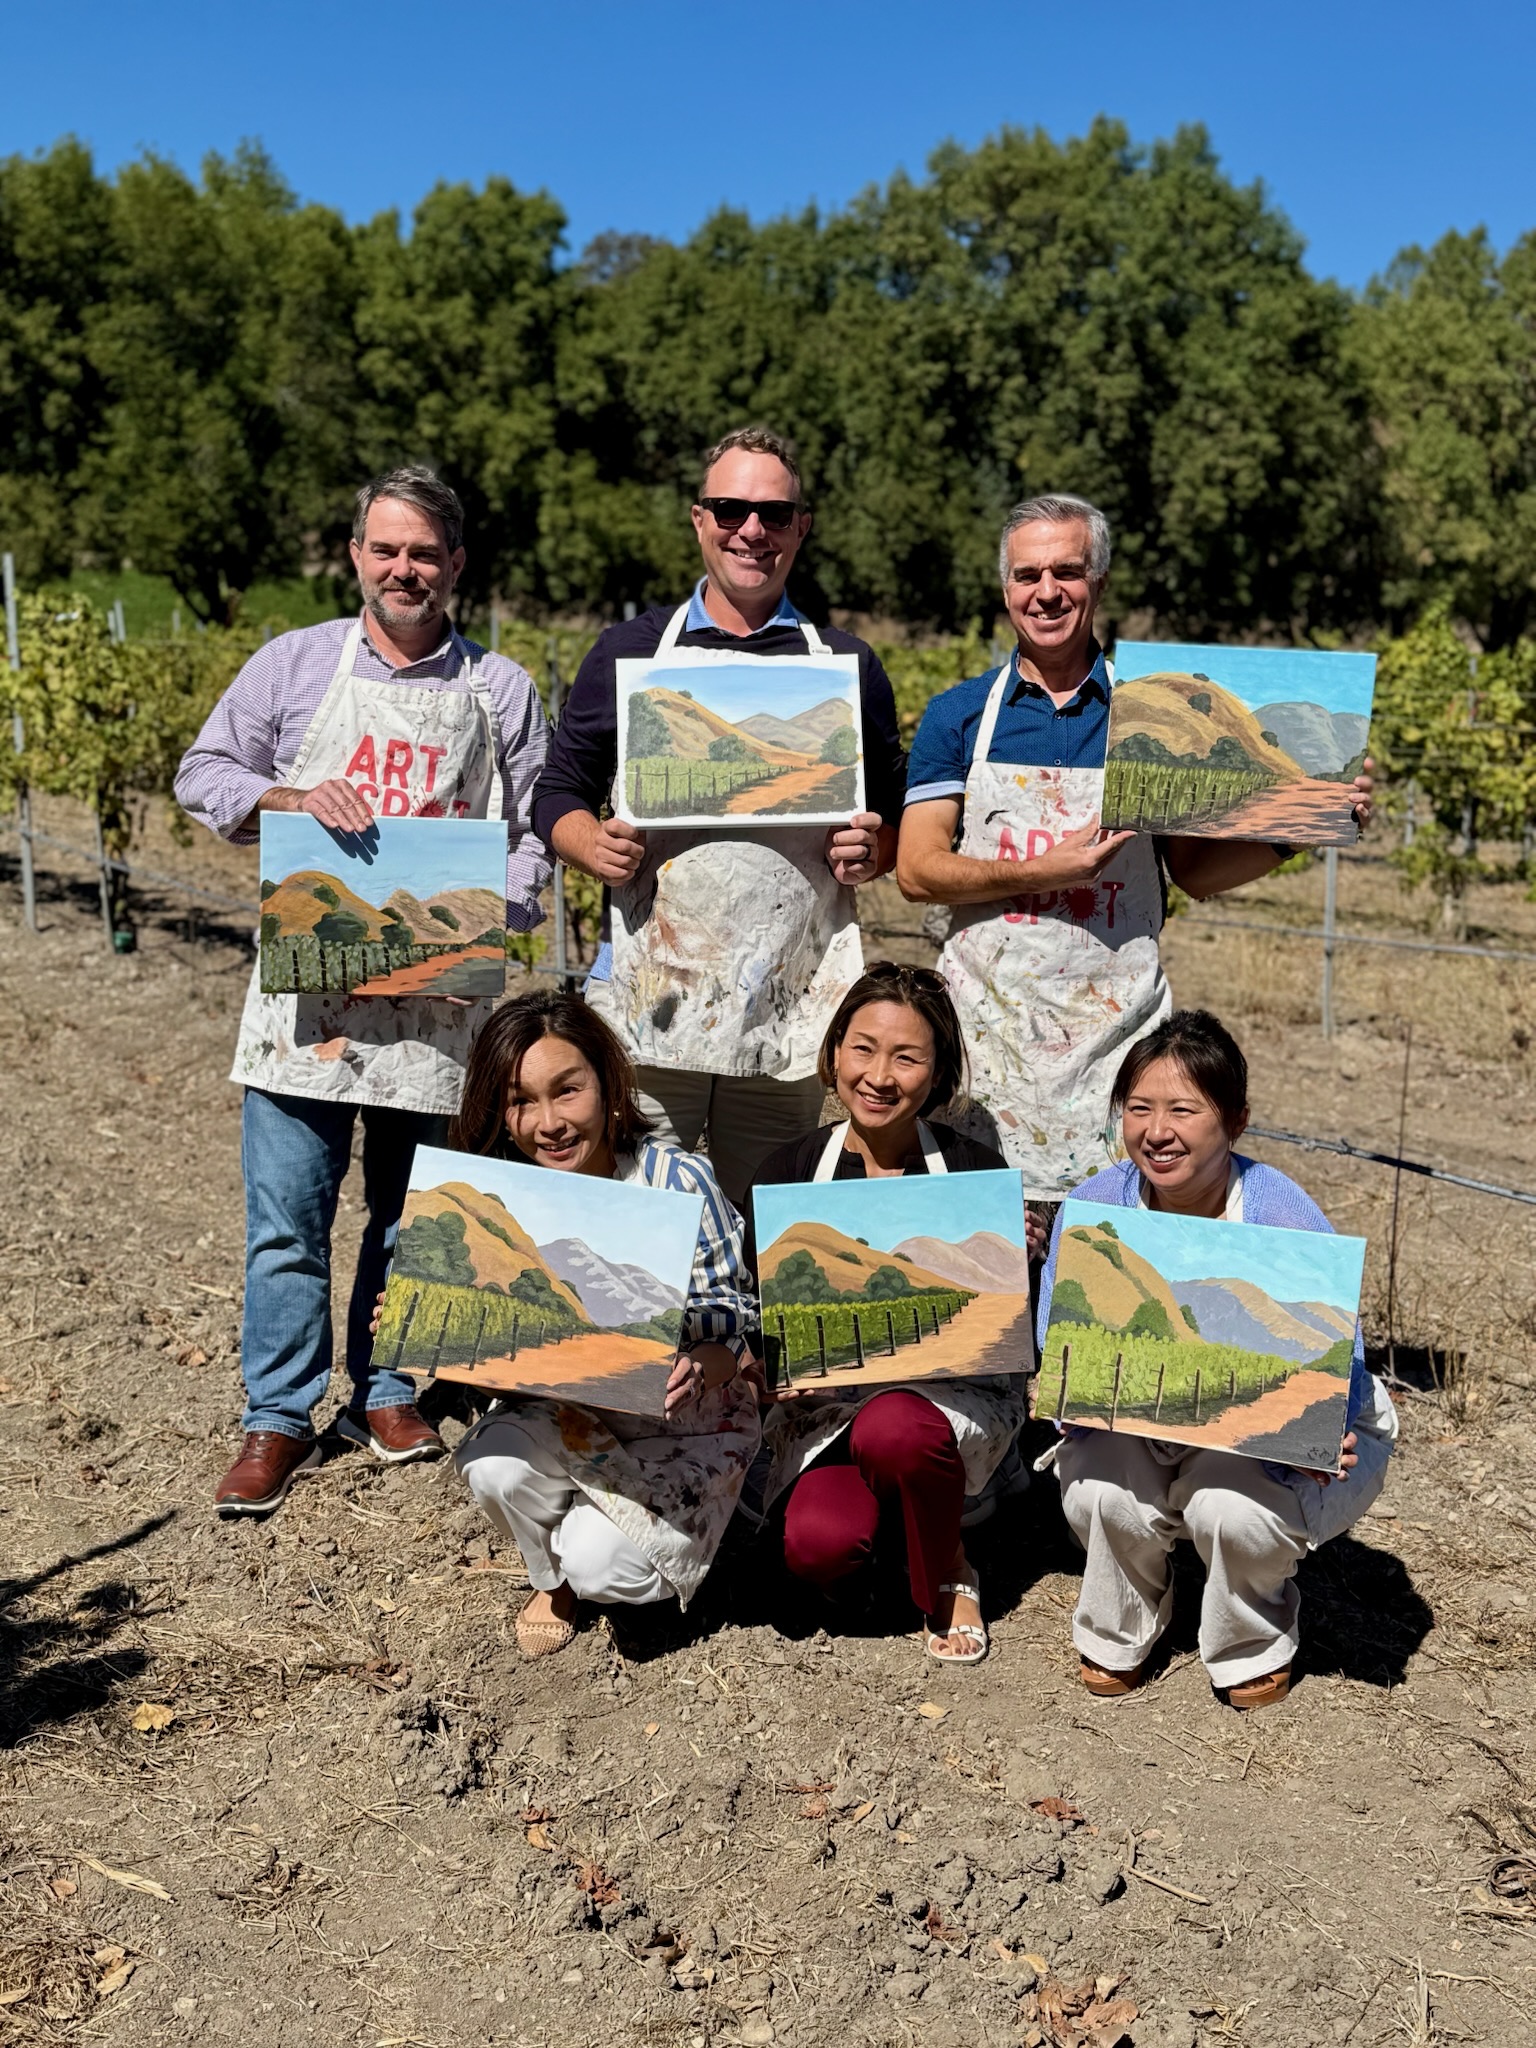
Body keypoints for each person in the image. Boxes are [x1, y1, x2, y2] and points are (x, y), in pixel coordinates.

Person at [175, 466, 551, 1518]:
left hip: (436, 1008)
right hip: (308, 1004)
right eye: (386, 549)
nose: (404, 568)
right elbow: (202, 774)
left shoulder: (500, 688)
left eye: (424, 552)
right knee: (287, 1220)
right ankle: (279, 1413)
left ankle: (386, 1388)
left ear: (457, 564)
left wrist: (493, 908)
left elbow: (529, 840)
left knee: (410, 1214)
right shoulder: (294, 664)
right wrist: (284, 794)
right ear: (356, 556)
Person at [896, 493, 1373, 1200]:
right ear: (1005, 589)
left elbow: (1192, 873)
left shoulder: (1150, 712)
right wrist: (1040, 870)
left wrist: (1311, 824)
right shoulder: (959, 716)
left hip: (1116, 1047)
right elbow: (916, 868)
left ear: (1101, 582)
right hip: (982, 1042)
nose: (1047, 592)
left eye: (1068, 572)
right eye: (1028, 576)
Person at [531, 424, 908, 1210]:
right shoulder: (628, 655)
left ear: (801, 527)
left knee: (761, 1230)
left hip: (788, 1011)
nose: (753, 530)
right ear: (700, 519)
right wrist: (589, 844)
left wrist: (873, 850)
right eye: (731, 509)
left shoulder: (846, 667)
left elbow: (897, 822)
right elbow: (556, 793)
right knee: (634, 1221)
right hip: (652, 1007)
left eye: (774, 514)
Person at [1035, 1009, 1398, 1709]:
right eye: (1138, 1108)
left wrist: (1331, 1427)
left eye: (1183, 1109)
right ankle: (1124, 1620)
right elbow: (1063, 1338)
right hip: (1135, 1422)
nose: (1156, 1130)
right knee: (1099, 1489)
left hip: (1257, 1434)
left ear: (1235, 1119)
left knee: (1231, 1510)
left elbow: (1337, 1355)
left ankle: (1250, 1633)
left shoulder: (1281, 1214)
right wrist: (1066, 1393)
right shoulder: (1093, 1208)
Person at [744, 963, 1045, 1665]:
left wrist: (1020, 1259)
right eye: (863, 1048)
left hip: (938, 1405)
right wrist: (772, 1369)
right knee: (819, 1546)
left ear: (936, 1072)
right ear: (834, 1053)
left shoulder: (972, 1170)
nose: (880, 1075)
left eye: (907, 1057)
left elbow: (1002, 1329)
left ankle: (949, 1569)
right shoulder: (786, 1172)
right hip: (826, 1413)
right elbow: (753, 1316)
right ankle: (900, 1533)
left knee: (896, 1428)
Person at [449, 992, 760, 1657]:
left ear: (609, 1084)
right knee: (490, 1466)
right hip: (566, 1413)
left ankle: (650, 1535)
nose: (549, 1122)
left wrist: (702, 1364)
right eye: (521, 1100)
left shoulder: (675, 1179)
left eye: (568, 1091)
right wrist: (430, 1323)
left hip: (685, 1419)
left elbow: (739, 1314)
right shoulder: (499, 1196)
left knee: (605, 1568)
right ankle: (548, 1577)